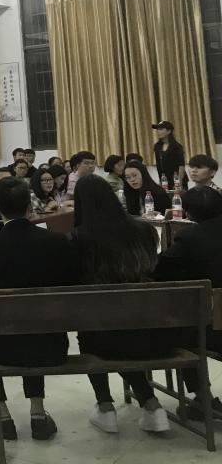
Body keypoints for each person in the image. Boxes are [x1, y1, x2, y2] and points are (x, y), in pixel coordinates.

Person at [0, 177, 80, 441]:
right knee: (35, 323)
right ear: (29, 207)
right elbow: (71, 288)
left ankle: (1, 414)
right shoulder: (56, 241)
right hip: (51, 344)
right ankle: (37, 411)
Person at [70, 175, 170, 434]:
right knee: (120, 335)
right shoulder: (144, 230)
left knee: (92, 333)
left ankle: (105, 406)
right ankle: (150, 403)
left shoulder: (81, 237)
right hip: (152, 326)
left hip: (102, 330)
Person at [155, 186, 222, 418]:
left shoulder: (191, 238)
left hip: (213, 330)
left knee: (177, 329)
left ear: (189, 213)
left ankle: (203, 398)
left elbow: (159, 269)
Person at [152, 120, 185, 190]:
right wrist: (161, 182)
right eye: (157, 129)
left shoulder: (177, 146)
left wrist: (179, 183)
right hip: (164, 180)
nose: (158, 131)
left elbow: (181, 166)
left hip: (176, 179)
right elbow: (158, 165)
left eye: (161, 129)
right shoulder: (157, 146)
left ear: (169, 131)